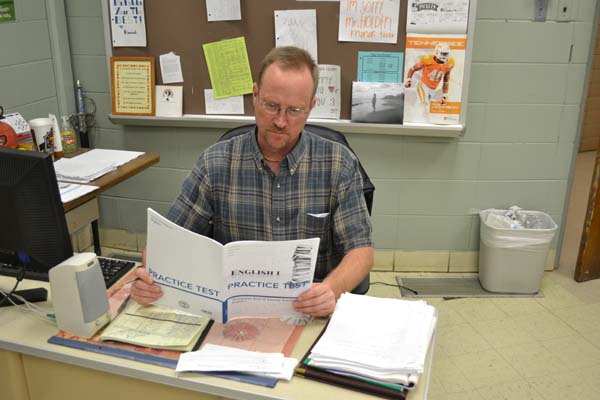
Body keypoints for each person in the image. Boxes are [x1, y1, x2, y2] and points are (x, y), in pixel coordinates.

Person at [131, 46, 374, 317]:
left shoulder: (338, 163)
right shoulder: (215, 163)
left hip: (309, 310)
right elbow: (167, 241)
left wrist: (331, 288)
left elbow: (361, 250)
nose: (281, 121)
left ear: (311, 107)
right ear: (255, 95)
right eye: (271, 106)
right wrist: (151, 278)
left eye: (294, 110)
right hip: (233, 315)